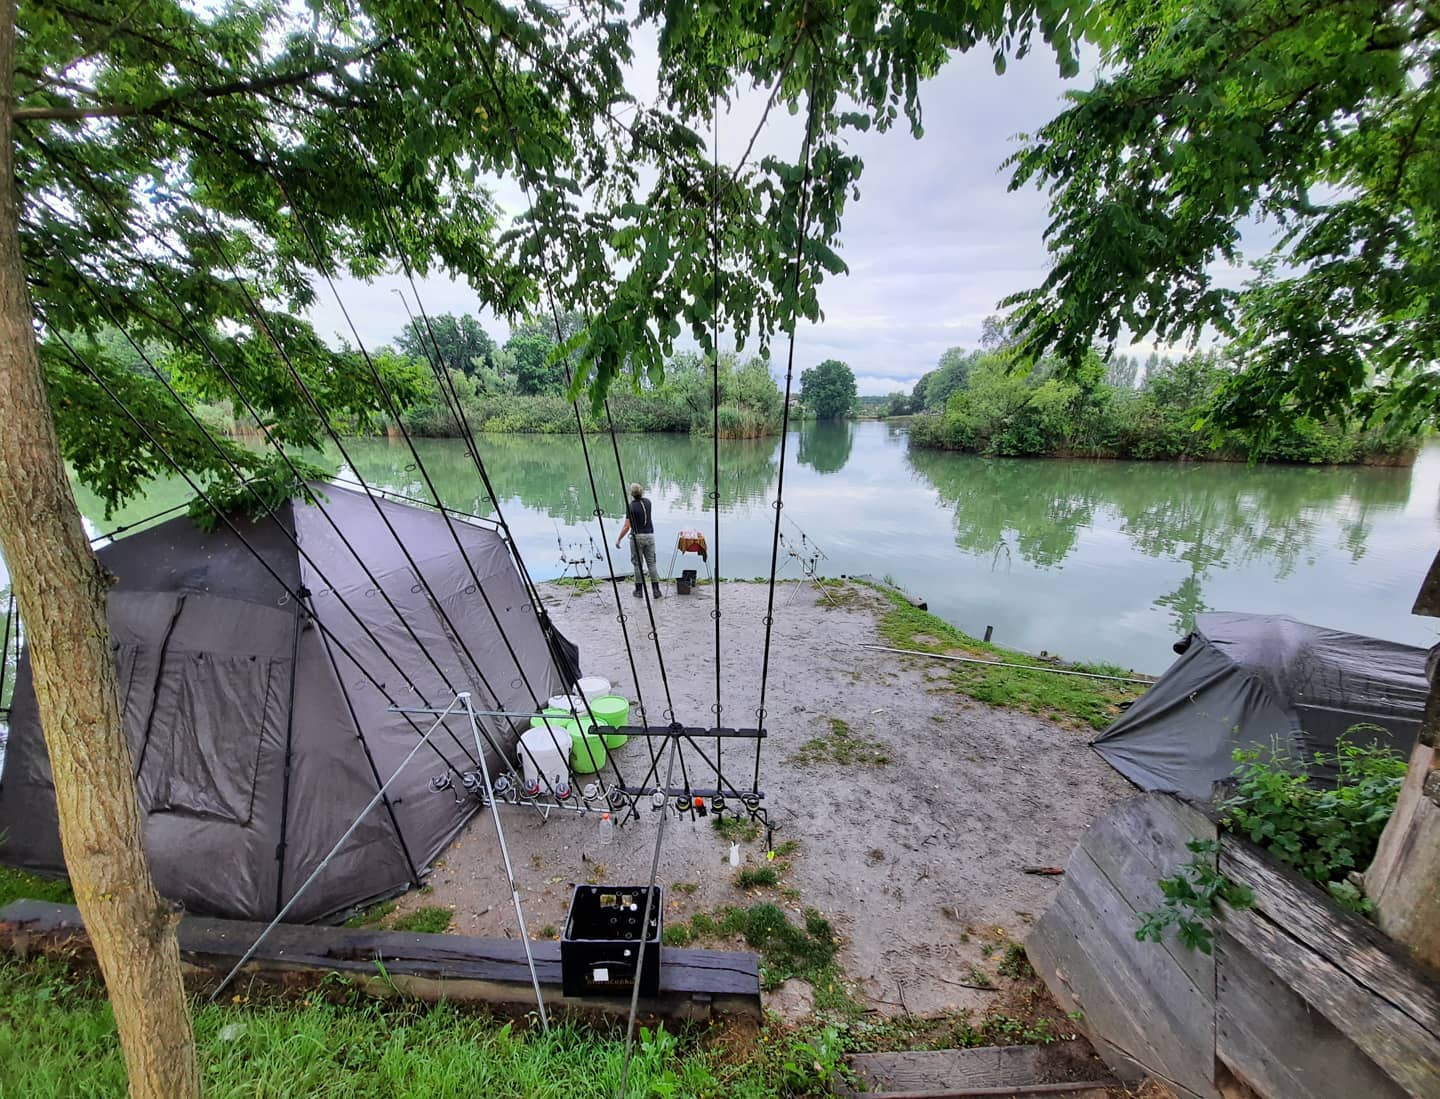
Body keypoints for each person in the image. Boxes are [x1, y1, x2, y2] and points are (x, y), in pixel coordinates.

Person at [615, 482, 661, 599]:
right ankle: (656, 591)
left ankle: (639, 591)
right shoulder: (648, 502)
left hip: (637, 537)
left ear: (631, 494)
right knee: (652, 563)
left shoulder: (631, 506)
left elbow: (627, 526)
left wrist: (619, 539)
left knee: (637, 564)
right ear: (642, 492)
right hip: (650, 536)